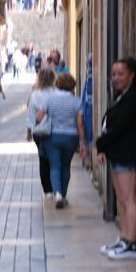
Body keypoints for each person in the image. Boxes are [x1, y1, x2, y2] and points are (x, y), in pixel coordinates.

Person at [95, 56, 136, 260]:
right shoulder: (121, 96)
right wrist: (103, 147)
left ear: (131, 74)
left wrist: (100, 143)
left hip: (125, 152)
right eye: (114, 74)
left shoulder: (132, 98)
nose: (116, 78)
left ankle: (131, 241)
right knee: (121, 198)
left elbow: (119, 127)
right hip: (116, 152)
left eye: (120, 73)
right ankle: (124, 237)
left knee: (129, 198)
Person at [36, 71, 87, 208]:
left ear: (57, 84)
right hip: (71, 137)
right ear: (72, 86)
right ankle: (63, 195)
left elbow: (39, 117)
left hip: (53, 137)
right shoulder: (77, 101)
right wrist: (82, 142)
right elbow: (80, 124)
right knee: (65, 166)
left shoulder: (50, 99)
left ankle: (57, 193)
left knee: (54, 166)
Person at [27, 67, 56, 198]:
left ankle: (47, 190)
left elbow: (31, 114)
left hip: (39, 131)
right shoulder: (56, 92)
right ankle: (56, 186)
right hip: (54, 129)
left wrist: (29, 131)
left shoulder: (34, 95)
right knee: (54, 159)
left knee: (43, 159)